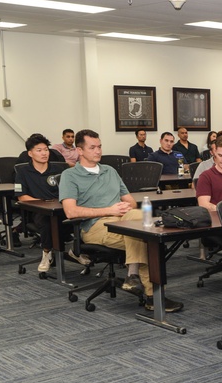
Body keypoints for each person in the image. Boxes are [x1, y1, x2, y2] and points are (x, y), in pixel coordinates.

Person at [59, 129, 183, 313]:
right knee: (144, 236)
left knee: (142, 225)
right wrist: (109, 210)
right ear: (79, 150)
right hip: (94, 226)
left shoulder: (110, 171)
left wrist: (123, 208)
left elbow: (131, 202)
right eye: (92, 147)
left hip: (122, 218)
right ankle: (151, 295)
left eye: (99, 146)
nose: (98, 151)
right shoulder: (70, 176)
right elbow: (70, 211)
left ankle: (135, 279)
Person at [15, 133, 89, 272]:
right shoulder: (23, 172)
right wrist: (43, 202)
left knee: (81, 218)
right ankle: (47, 252)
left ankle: (77, 250)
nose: (44, 153)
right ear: (30, 153)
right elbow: (22, 197)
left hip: (62, 208)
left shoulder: (59, 169)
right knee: (46, 222)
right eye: (39, 150)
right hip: (38, 211)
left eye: (46, 150)